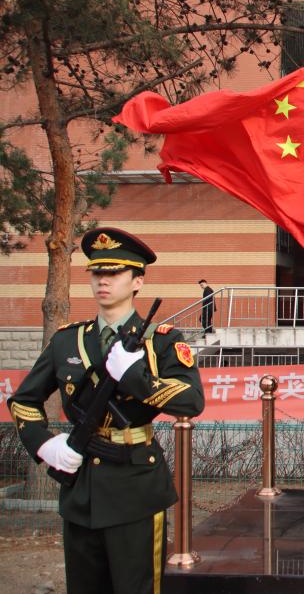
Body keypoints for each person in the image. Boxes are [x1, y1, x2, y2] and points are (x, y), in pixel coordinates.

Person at [8, 227, 205, 594]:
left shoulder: (160, 341)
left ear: (137, 281)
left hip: (135, 486)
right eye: (97, 272)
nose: (103, 280)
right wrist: (44, 444)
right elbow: (23, 401)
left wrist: (135, 378)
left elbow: (192, 400)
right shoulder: (67, 339)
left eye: (114, 273)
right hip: (81, 487)